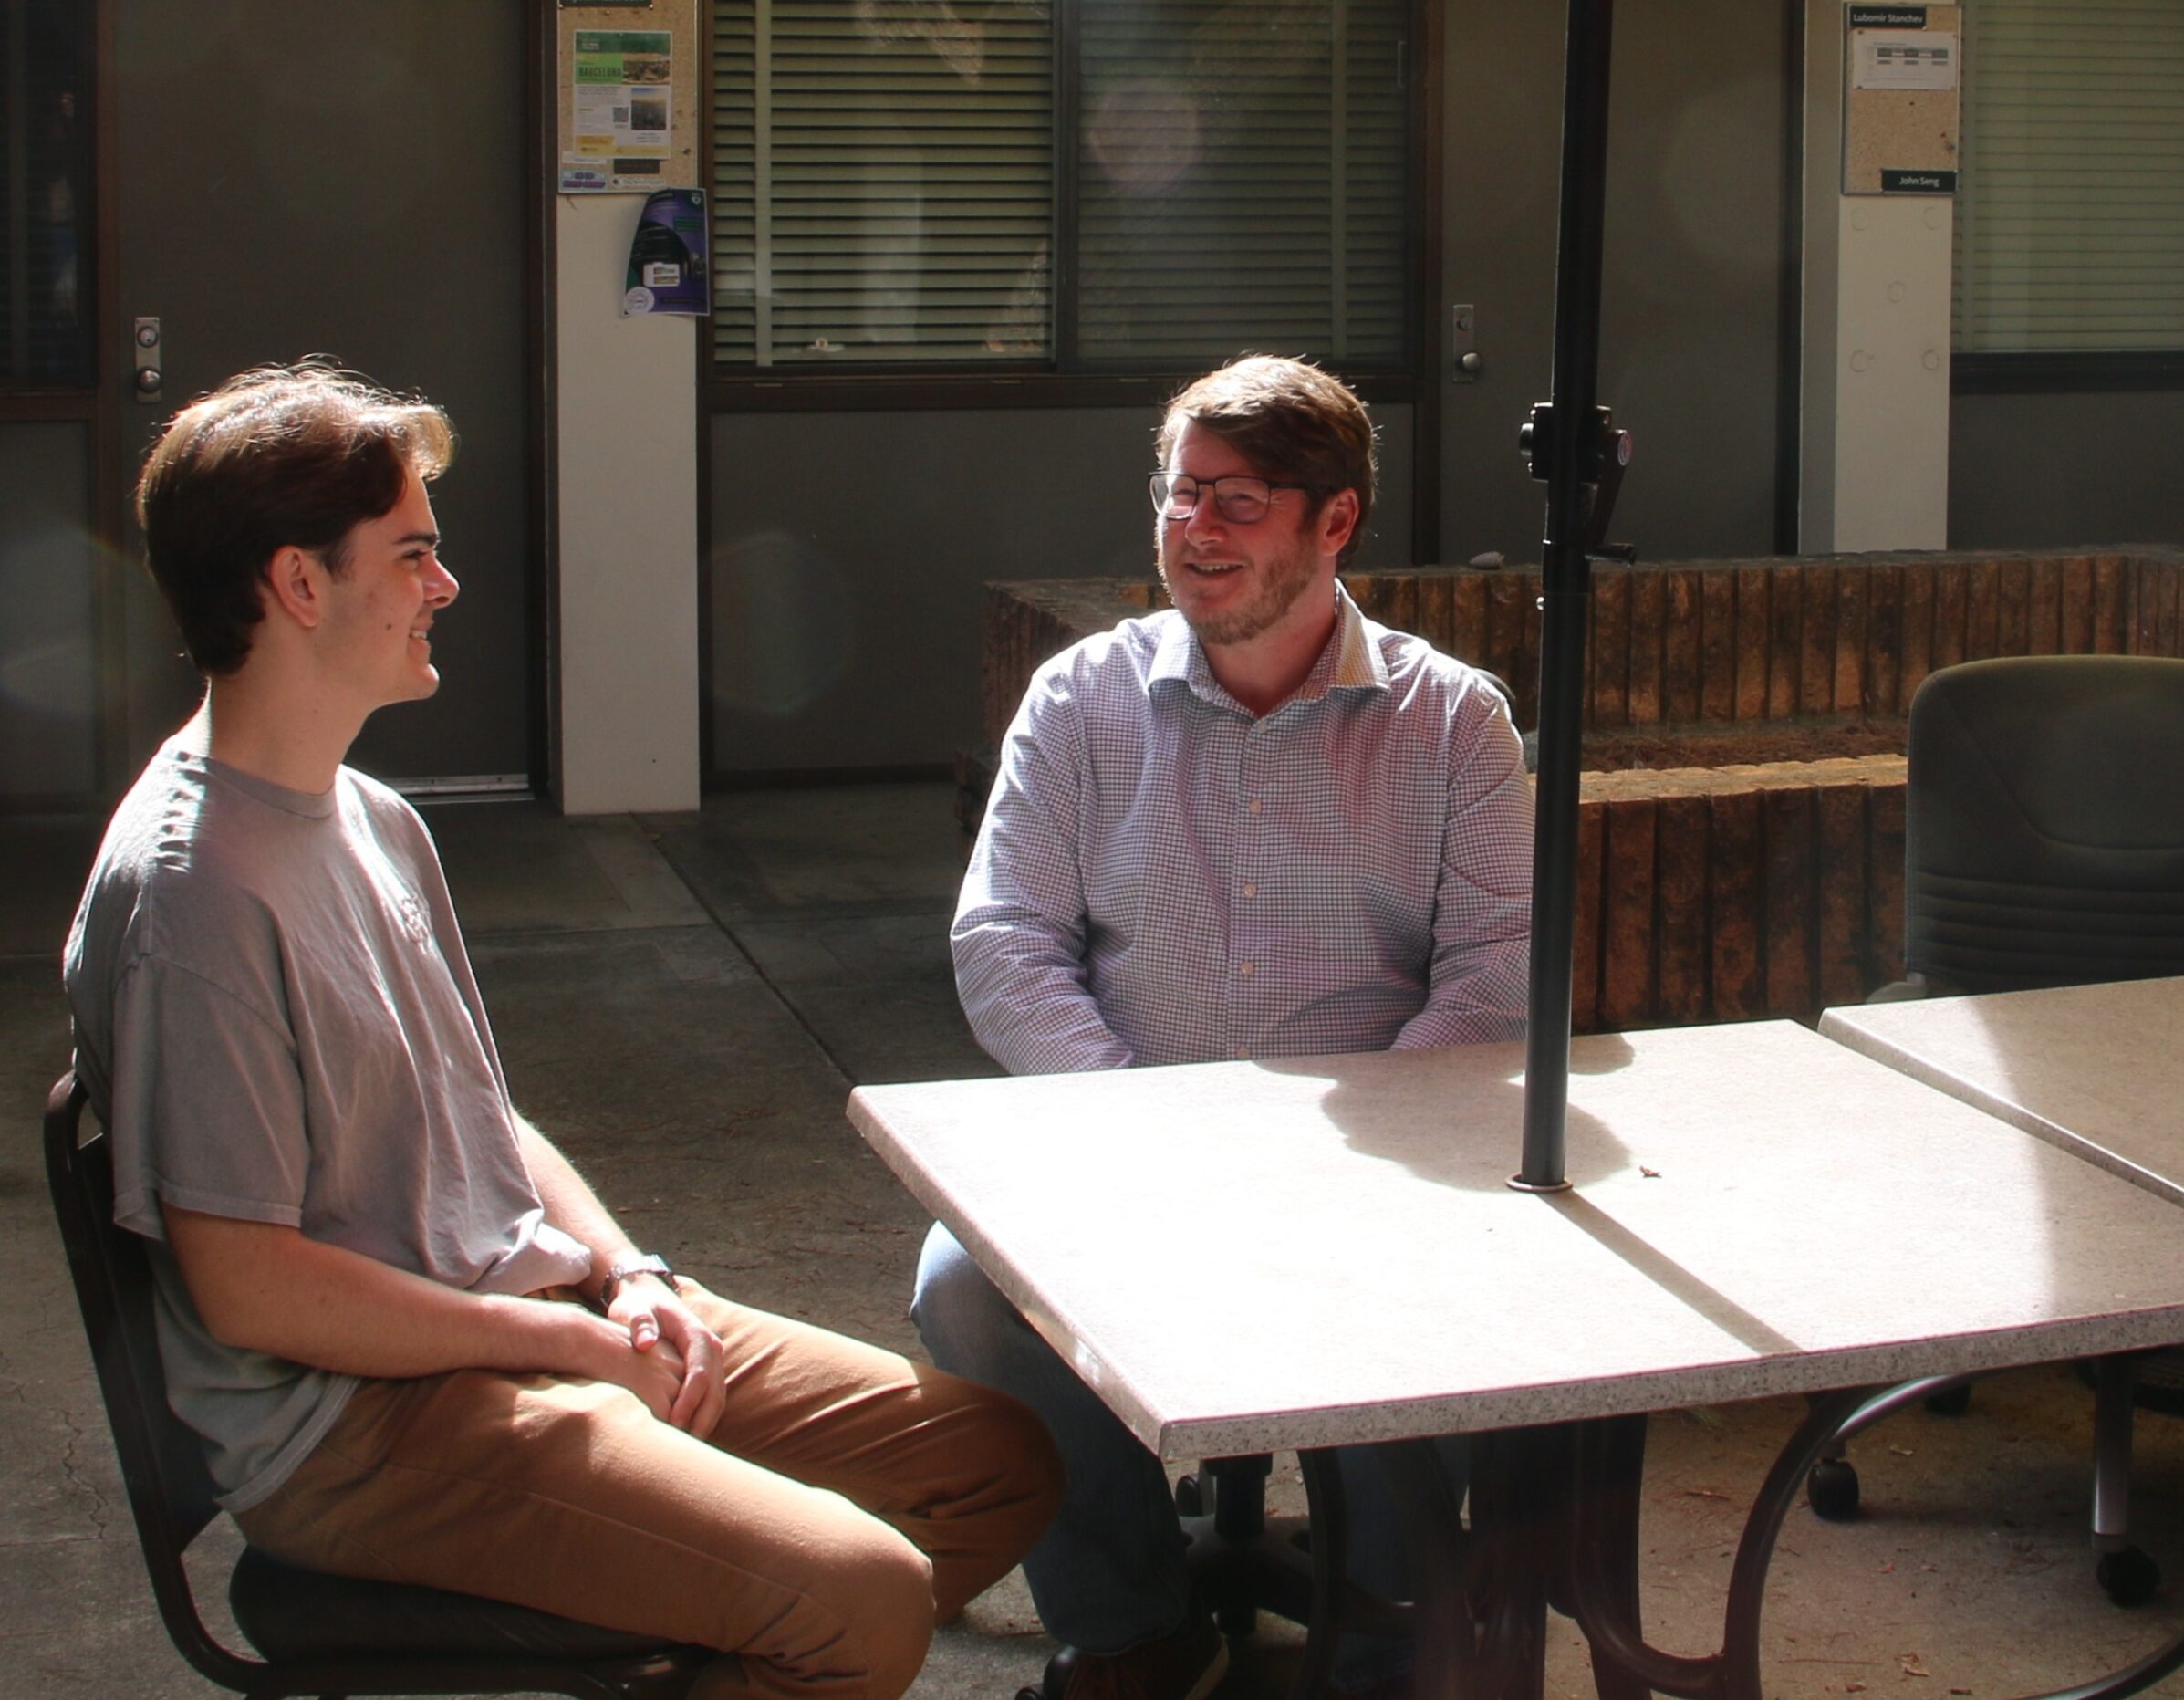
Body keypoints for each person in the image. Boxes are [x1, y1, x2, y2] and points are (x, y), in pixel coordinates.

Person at [64, 364, 1062, 1700]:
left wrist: (624, 1276)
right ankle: (765, 1609)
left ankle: (720, 1609)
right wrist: (562, 1349)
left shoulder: (371, 817)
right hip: (362, 1429)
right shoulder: (191, 896)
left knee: (998, 1464)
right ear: (299, 585)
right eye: (414, 552)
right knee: (862, 1599)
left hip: (525, 1316)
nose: (447, 585)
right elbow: (252, 1286)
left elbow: (483, 1113)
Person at [913, 355, 1532, 1700]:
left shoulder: (1452, 721)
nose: (1193, 531)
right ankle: (1129, 1624)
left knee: (1447, 1291)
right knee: (962, 1288)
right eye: (1178, 495)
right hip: (1131, 1124)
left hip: (1385, 1151)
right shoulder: (1083, 700)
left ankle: (1383, 1627)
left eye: (1237, 503)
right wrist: (1138, 1115)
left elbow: (1496, 968)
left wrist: (1368, 1148)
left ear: (1336, 522)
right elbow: (1005, 942)